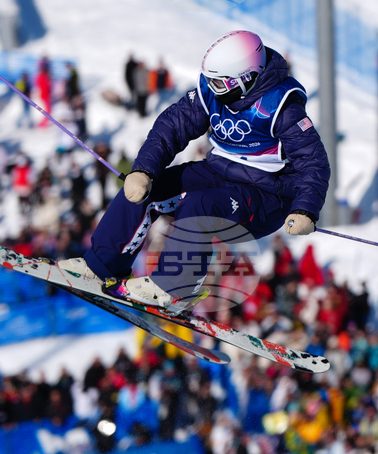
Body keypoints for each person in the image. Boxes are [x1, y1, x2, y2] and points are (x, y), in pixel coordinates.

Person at [56, 31, 330, 308]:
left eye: (219, 83)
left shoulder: (282, 107)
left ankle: (175, 286)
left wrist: (305, 209)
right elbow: (173, 124)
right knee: (151, 190)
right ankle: (101, 265)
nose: (212, 89)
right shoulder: (211, 93)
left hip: (266, 195)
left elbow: (313, 161)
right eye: (209, 81)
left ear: (245, 78)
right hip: (219, 171)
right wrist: (144, 170)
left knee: (200, 205)